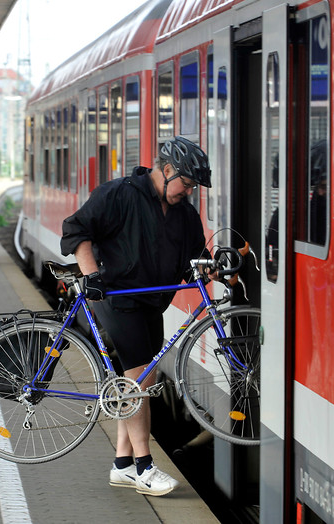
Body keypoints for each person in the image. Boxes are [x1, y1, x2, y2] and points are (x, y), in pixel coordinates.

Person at [60, 136, 211, 497]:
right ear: (168, 170)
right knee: (139, 380)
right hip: (115, 298)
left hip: (151, 302)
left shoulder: (184, 214)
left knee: (142, 377)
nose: (188, 191)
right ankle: (144, 466)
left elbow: (195, 261)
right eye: (186, 183)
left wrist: (219, 266)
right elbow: (76, 228)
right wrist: (91, 274)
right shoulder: (120, 194)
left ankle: (122, 463)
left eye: (193, 187)